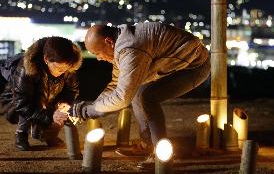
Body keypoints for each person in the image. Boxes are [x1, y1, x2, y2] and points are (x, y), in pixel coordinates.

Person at [70, 22, 210, 163]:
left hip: (195, 67)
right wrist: (93, 106)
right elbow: (116, 85)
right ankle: (147, 144)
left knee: (148, 97)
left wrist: (90, 110)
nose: (99, 59)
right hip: (175, 65)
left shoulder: (130, 49)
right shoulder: (121, 44)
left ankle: (161, 155)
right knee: (137, 93)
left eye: (97, 53)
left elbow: (122, 97)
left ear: (108, 42)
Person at [0, 36, 82, 151]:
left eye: (65, 68)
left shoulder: (68, 66)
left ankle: (49, 136)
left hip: (48, 93)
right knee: (33, 105)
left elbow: (72, 90)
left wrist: (64, 103)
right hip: (18, 99)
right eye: (58, 68)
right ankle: (21, 134)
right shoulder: (26, 69)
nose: (62, 72)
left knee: (60, 111)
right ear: (46, 59)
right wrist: (50, 115)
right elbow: (23, 104)